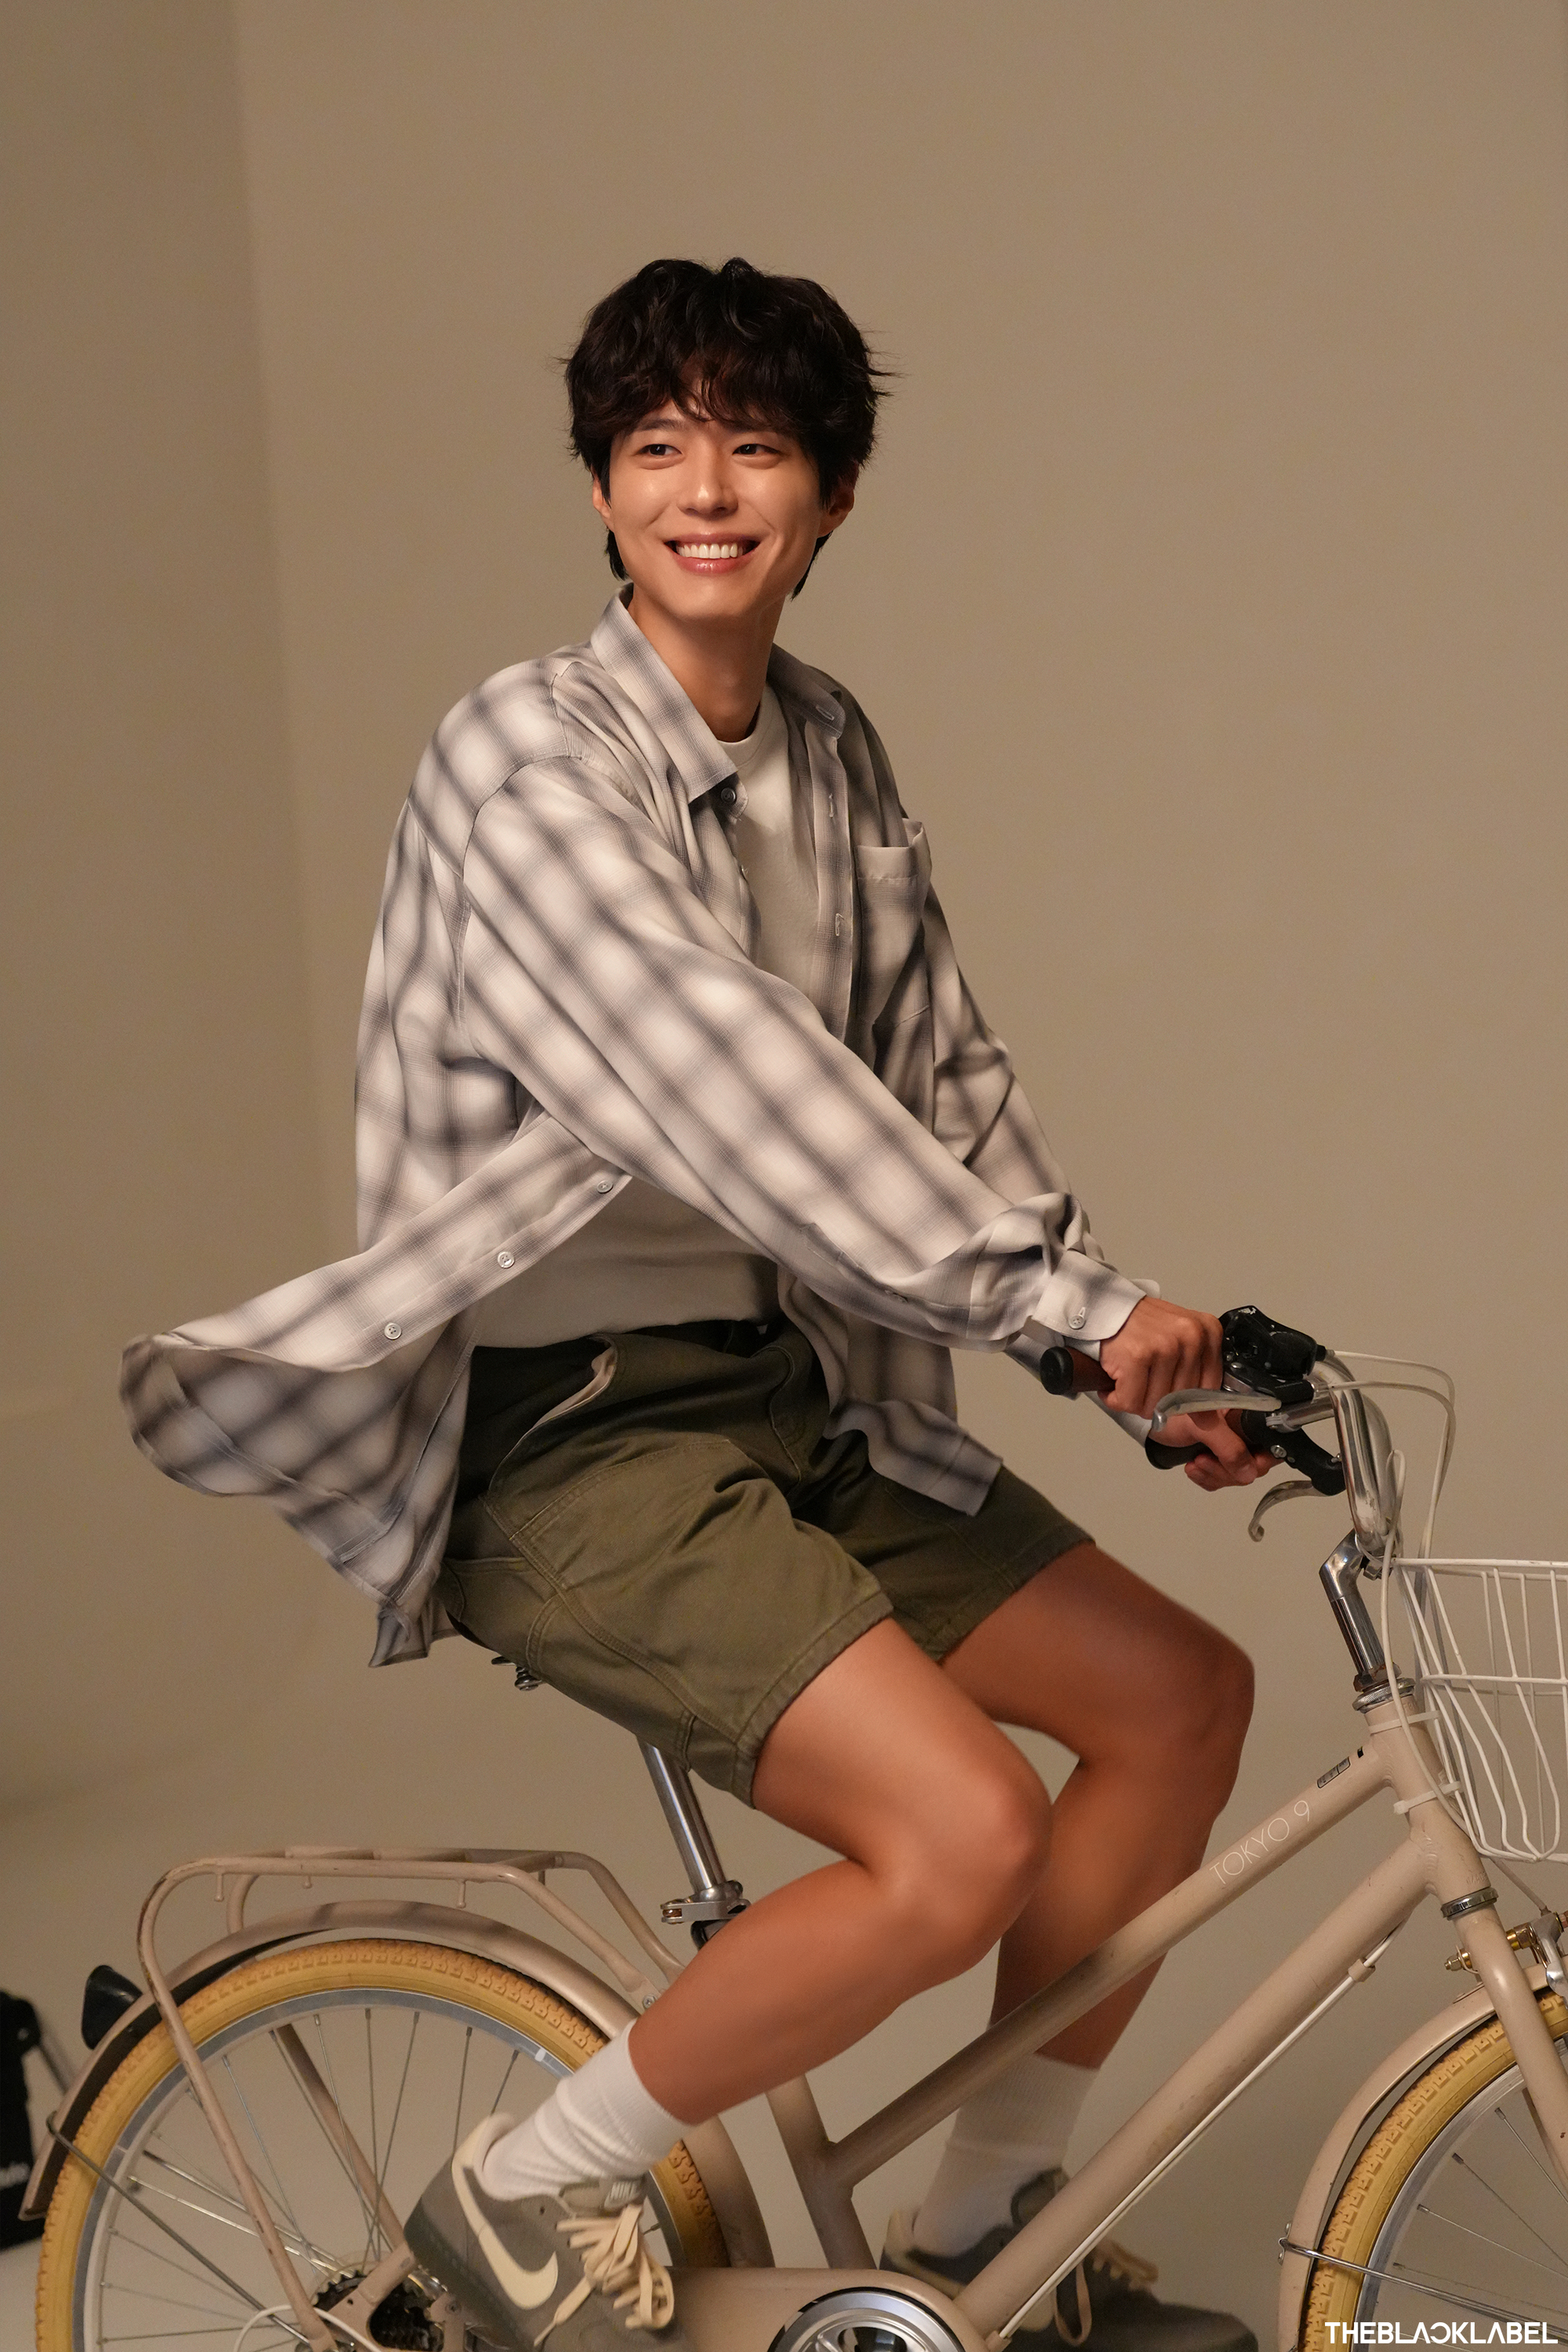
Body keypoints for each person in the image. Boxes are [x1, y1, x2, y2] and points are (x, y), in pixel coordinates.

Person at [124, 257, 1274, 2351]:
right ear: (600, 492)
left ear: (833, 496)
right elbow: (722, 1071)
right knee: (961, 1841)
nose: (707, 490)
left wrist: (1109, 1354)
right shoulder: (524, 756)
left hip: (793, 1395)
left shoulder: (827, 749)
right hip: (568, 1436)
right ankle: (521, 2195)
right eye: (657, 447)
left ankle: (980, 2244)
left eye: (756, 446)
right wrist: (1062, 1304)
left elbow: (938, 1079)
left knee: (1182, 1703)